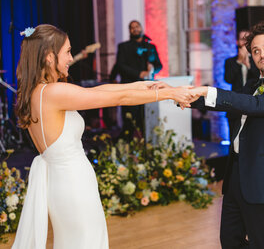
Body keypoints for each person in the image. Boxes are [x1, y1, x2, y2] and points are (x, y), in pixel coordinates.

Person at [12, 24, 193, 249]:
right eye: (67, 52)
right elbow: (117, 99)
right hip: (74, 186)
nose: (71, 58)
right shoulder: (53, 92)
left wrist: (145, 85)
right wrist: (169, 93)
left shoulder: (38, 93)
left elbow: (100, 91)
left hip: (63, 184)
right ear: (49, 57)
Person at [189, 21, 264, 248]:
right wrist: (182, 95)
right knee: (230, 240)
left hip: (262, 176)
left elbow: (255, 105)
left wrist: (209, 91)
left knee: (263, 243)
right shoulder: (253, 84)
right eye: (256, 50)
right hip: (237, 174)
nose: (262, 54)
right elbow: (230, 103)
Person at [111, 20, 162, 136]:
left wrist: (153, 69)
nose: (135, 29)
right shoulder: (124, 47)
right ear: (129, 31)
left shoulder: (150, 47)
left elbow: (159, 65)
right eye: (132, 27)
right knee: (129, 121)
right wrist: (139, 74)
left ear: (141, 28)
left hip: (148, 89)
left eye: (137, 26)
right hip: (130, 88)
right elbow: (120, 66)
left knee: (146, 121)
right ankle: (127, 147)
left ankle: (146, 146)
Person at [224, 29, 259, 139]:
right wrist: (239, 62)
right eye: (242, 39)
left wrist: (249, 65)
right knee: (233, 139)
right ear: (237, 42)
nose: (244, 42)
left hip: (252, 105)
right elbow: (228, 79)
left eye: (247, 39)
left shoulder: (257, 60)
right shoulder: (230, 61)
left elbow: (260, 79)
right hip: (234, 105)